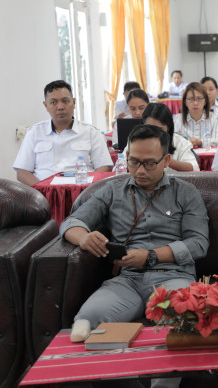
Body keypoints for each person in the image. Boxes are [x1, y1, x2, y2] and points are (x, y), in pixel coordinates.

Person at [64, 124, 209, 340]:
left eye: (149, 163)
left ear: (166, 161)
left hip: (174, 277)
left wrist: (151, 256)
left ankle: (163, 373)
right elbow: (72, 221)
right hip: (127, 281)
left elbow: (198, 243)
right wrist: (83, 237)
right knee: (85, 321)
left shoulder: (185, 192)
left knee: (183, 319)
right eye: (134, 161)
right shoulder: (113, 190)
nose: (140, 170)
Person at [13, 80, 112, 186]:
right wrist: (45, 191)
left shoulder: (91, 132)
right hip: (44, 195)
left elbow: (104, 166)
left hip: (83, 194)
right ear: (45, 105)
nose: (60, 107)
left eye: (65, 101)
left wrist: (87, 190)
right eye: (53, 102)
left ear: (74, 102)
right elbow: (22, 172)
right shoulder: (34, 132)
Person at [141, 103, 199, 172]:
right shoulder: (136, 141)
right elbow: (125, 165)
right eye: (150, 128)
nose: (154, 133)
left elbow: (194, 168)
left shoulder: (181, 142)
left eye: (160, 129)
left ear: (168, 127)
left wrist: (165, 160)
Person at [174, 82, 218, 148]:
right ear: (185, 102)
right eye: (191, 99)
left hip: (208, 157)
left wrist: (200, 142)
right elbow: (173, 141)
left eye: (199, 98)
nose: (195, 103)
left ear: (205, 101)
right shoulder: (178, 119)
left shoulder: (215, 117)